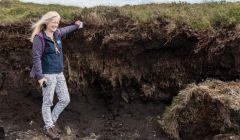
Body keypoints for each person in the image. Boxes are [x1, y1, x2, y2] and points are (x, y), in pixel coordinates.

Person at [30, 11, 82, 139]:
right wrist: (40, 77)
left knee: (65, 99)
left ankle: (51, 122)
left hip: (59, 73)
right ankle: (48, 127)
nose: (56, 25)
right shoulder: (40, 38)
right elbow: (36, 58)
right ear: (47, 22)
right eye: (54, 22)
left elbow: (66, 29)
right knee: (47, 102)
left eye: (57, 22)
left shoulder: (57, 33)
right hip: (47, 75)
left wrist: (76, 25)